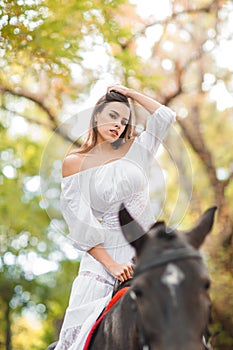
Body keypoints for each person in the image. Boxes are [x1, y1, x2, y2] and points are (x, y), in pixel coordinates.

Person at [54, 84, 176, 349]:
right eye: (112, 116)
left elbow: (165, 116)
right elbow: (79, 223)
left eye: (124, 120)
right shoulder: (74, 162)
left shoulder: (137, 151)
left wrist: (128, 93)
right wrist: (112, 266)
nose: (118, 125)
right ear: (96, 116)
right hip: (104, 260)